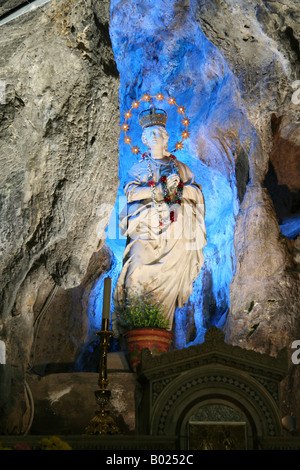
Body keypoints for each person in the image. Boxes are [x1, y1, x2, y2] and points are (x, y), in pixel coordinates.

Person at [114, 106, 206, 330]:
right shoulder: (138, 168)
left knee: (175, 264)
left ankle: (162, 332)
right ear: (144, 140)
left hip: (175, 234)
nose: (154, 136)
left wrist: (179, 191)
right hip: (145, 230)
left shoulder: (182, 168)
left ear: (166, 137)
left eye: (158, 132)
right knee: (135, 270)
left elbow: (197, 194)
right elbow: (131, 193)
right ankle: (134, 330)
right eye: (150, 134)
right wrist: (156, 193)